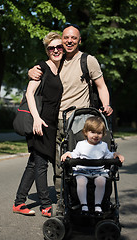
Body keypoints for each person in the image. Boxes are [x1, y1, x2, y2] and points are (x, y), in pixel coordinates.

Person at [28, 24, 113, 197]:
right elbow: (40, 74)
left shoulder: (88, 60)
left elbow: (101, 86)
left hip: (81, 121)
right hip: (57, 120)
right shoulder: (56, 61)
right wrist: (30, 71)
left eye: (74, 38)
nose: (69, 41)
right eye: (66, 37)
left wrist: (107, 105)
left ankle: (88, 198)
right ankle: (62, 200)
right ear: (62, 39)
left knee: (83, 163)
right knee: (60, 164)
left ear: (79, 40)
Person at [13, 32, 63, 217]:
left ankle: (19, 202)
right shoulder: (42, 67)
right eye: (52, 48)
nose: (56, 50)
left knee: (34, 163)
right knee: (41, 164)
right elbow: (29, 93)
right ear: (47, 50)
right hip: (39, 122)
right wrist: (36, 118)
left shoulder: (61, 68)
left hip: (50, 123)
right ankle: (45, 204)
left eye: (59, 47)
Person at [61, 116, 124, 215]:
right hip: (82, 170)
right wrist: (68, 154)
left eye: (99, 133)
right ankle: (84, 205)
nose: (96, 135)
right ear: (86, 132)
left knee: (101, 181)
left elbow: (108, 155)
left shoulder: (103, 145)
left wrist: (116, 154)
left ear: (103, 134)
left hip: (98, 171)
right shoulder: (81, 144)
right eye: (92, 132)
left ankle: (97, 205)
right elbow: (75, 153)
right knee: (81, 180)